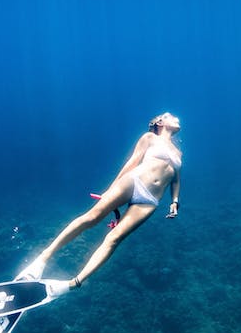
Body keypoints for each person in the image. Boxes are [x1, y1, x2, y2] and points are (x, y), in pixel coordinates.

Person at [21, 112, 183, 293]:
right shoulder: (149, 138)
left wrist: (175, 201)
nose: (176, 119)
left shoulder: (178, 152)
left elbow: (175, 179)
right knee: (91, 218)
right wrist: (110, 190)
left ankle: (73, 284)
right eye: (171, 116)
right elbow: (133, 161)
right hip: (134, 181)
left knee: (114, 239)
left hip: (150, 201)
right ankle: (42, 260)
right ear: (160, 122)